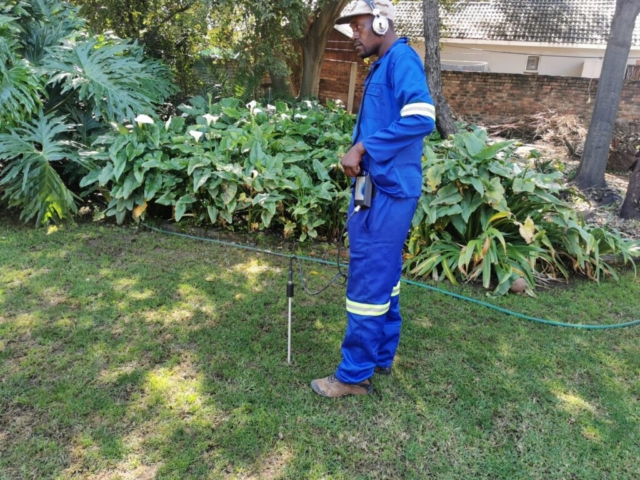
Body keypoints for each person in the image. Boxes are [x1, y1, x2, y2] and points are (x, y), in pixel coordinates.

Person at [311, 0, 436, 397]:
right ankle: (380, 355)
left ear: (381, 22)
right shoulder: (382, 65)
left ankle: (354, 376)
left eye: (359, 26)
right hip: (375, 188)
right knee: (384, 275)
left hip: (388, 191)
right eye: (351, 28)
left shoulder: (402, 60)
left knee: (368, 277)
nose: (353, 34)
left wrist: (363, 148)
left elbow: (422, 118)